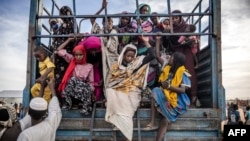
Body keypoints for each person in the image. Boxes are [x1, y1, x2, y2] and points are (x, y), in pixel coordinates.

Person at [105, 35, 155, 141]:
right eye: (128, 56)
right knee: (110, 91)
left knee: (127, 108)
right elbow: (111, 82)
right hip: (118, 89)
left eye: (132, 56)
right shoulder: (116, 66)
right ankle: (117, 122)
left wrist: (146, 42)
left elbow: (152, 56)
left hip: (133, 90)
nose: (130, 58)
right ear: (123, 55)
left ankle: (125, 133)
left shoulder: (137, 62)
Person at [143, 52, 191, 141]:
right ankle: (152, 122)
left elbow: (183, 90)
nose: (169, 58)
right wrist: (157, 40)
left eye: (171, 57)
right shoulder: (167, 68)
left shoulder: (182, 72)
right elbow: (157, 56)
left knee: (164, 118)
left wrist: (169, 87)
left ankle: (154, 122)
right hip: (167, 96)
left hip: (177, 102)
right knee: (164, 118)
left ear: (175, 61)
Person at [163, 10, 198, 107]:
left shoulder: (187, 27)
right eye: (172, 18)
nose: (174, 20)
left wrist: (189, 41)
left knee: (189, 72)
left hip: (186, 52)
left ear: (180, 18)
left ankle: (193, 98)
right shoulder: (169, 29)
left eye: (176, 17)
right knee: (176, 74)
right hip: (176, 53)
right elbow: (167, 44)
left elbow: (193, 40)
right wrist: (167, 33)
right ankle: (179, 99)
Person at [56, 37, 95, 115]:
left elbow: (91, 82)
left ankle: (86, 107)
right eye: (76, 55)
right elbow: (58, 51)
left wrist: (91, 93)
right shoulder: (72, 60)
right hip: (72, 87)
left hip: (82, 89)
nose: (78, 57)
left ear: (84, 55)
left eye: (80, 55)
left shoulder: (89, 66)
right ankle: (70, 102)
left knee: (88, 88)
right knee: (73, 79)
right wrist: (68, 40)